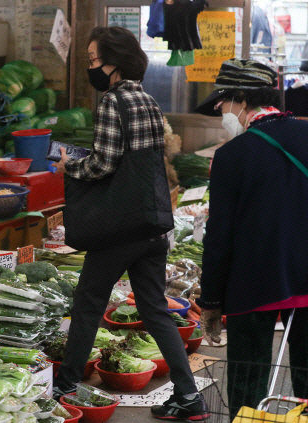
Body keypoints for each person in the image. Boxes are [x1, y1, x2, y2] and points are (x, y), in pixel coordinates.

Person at [51, 26, 209, 421]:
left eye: (92, 60)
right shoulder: (149, 101)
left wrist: (70, 167)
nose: (91, 67)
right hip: (152, 225)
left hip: (119, 229)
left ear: (113, 63)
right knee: (155, 310)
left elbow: (103, 164)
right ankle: (189, 397)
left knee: (88, 304)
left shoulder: (112, 102)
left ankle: (67, 383)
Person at [195, 58, 308, 417]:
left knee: (248, 379)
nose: (220, 110)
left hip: (254, 282)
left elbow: (219, 235)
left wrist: (211, 301)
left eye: (223, 102)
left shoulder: (231, 156)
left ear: (242, 100)